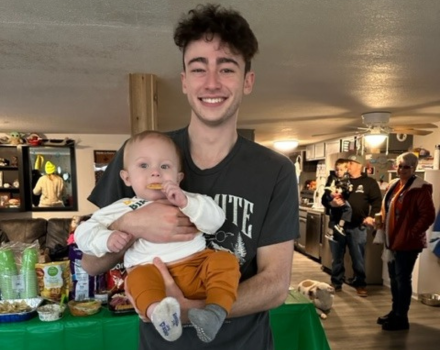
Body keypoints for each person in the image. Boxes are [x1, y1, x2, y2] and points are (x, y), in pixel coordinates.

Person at [79, 4, 299, 350]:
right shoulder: (141, 157)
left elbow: (275, 284)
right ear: (184, 81)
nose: (212, 82)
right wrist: (134, 224)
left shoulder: (276, 171)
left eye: (226, 69)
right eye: (199, 69)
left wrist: (191, 311)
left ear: (248, 81)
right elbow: (91, 264)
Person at [75, 130, 240, 343]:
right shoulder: (120, 209)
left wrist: (186, 203)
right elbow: (83, 233)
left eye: (165, 166)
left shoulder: (187, 199)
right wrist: (106, 239)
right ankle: (159, 315)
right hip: (150, 271)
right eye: (144, 166)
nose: (155, 173)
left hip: (198, 267)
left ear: (179, 177)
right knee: (136, 279)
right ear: (126, 177)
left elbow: (216, 221)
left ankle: (215, 312)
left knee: (224, 260)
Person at [376, 152, 435, 331]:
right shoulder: (394, 185)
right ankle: (395, 312)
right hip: (392, 239)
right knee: (394, 278)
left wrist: (410, 233)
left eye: (406, 167)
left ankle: (402, 318)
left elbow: (428, 216)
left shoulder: (420, 188)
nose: (402, 170)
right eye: (400, 166)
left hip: (408, 243)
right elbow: (388, 208)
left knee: (402, 279)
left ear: (414, 168)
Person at [322, 154, 381, 296]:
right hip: (337, 225)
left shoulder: (369, 183)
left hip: (357, 226)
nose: (348, 165)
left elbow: (377, 203)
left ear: (360, 165)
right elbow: (325, 198)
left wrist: (371, 217)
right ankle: (336, 282)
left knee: (358, 257)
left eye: (352, 163)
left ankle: (360, 284)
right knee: (337, 257)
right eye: (347, 162)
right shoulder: (336, 179)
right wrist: (331, 203)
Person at [322, 158, 353, 238]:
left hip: (340, 199)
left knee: (345, 210)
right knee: (341, 211)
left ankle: (336, 228)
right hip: (333, 198)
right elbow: (326, 190)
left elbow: (346, 191)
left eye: (341, 170)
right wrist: (331, 195)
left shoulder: (347, 179)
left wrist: (346, 191)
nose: (338, 172)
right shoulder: (332, 177)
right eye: (337, 170)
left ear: (346, 169)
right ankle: (334, 229)